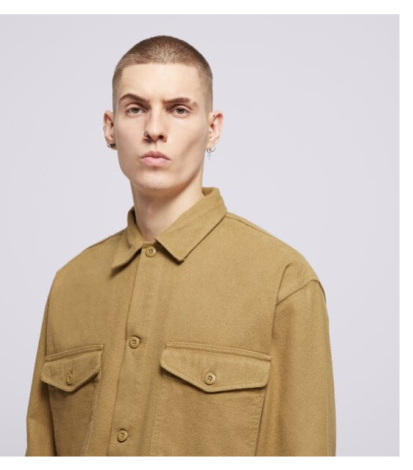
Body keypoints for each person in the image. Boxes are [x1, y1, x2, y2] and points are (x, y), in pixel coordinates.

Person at [25, 35, 336, 457]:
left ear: (212, 128)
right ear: (110, 127)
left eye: (179, 109)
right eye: (135, 109)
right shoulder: (70, 285)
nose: (154, 130)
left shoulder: (283, 282)